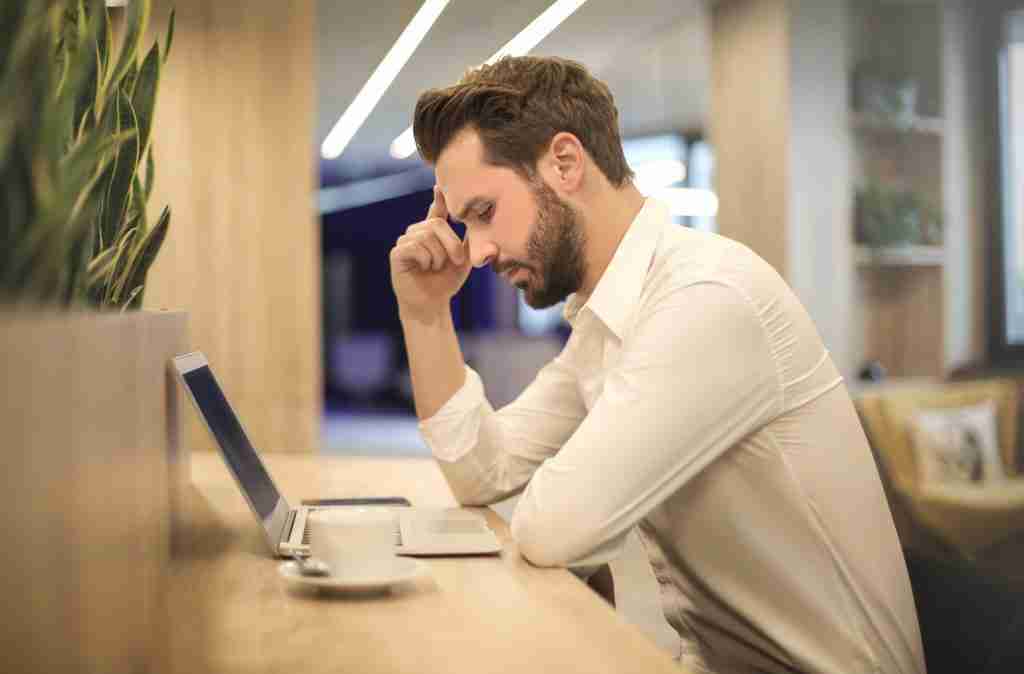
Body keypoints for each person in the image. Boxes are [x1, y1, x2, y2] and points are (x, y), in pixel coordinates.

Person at [389, 55, 926, 674]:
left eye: (484, 212)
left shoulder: (706, 297)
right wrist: (425, 315)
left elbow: (554, 527)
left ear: (564, 163)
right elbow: (482, 472)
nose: (476, 249)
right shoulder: (608, 320)